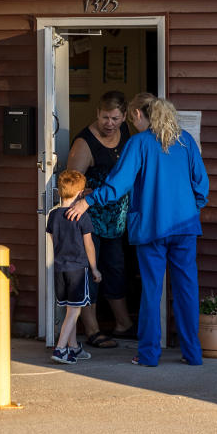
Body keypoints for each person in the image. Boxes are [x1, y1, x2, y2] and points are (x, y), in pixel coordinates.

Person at [66, 93, 209, 367]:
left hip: (151, 229)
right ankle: (193, 354)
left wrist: (87, 201)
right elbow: (201, 187)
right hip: (185, 228)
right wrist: (188, 208)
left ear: (140, 116)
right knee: (187, 291)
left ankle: (148, 355)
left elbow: (117, 185)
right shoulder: (185, 141)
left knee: (152, 292)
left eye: (131, 117)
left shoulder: (139, 143)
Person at [66, 91, 136, 349]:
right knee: (90, 271)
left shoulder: (126, 132)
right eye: (105, 117)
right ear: (97, 113)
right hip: (89, 218)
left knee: (116, 269)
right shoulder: (84, 143)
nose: (110, 123)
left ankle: (123, 324)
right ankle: (92, 329)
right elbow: (71, 183)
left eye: (115, 118)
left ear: (125, 116)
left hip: (116, 221)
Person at [47, 169, 102, 364]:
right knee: (74, 311)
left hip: (60, 269)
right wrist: (94, 269)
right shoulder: (82, 216)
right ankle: (61, 348)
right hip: (77, 270)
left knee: (69, 309)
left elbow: (54, 242)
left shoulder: (53, 216)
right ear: (81, 194)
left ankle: (73, 348)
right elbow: (89, 245)